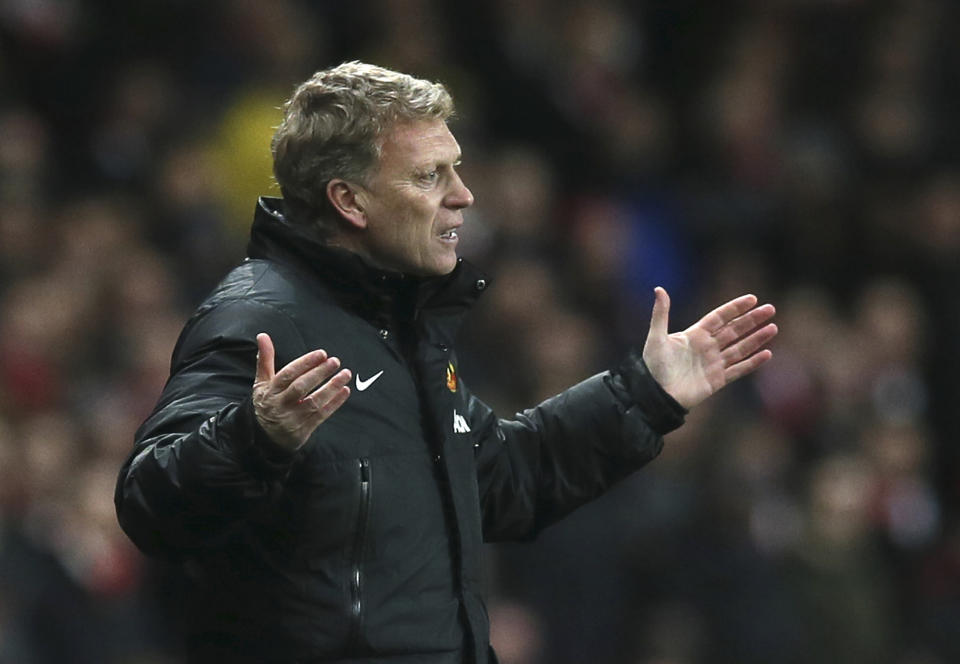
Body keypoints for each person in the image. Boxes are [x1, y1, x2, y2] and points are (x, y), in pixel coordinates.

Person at [114, 61, 778, 664]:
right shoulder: (260, 320)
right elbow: (149, 503)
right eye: (431, 175)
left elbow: (502, 478)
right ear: (350, 201)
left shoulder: (401, 323)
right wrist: (255, 440)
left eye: (456, 168)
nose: (463, 195)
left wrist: (645, 392)